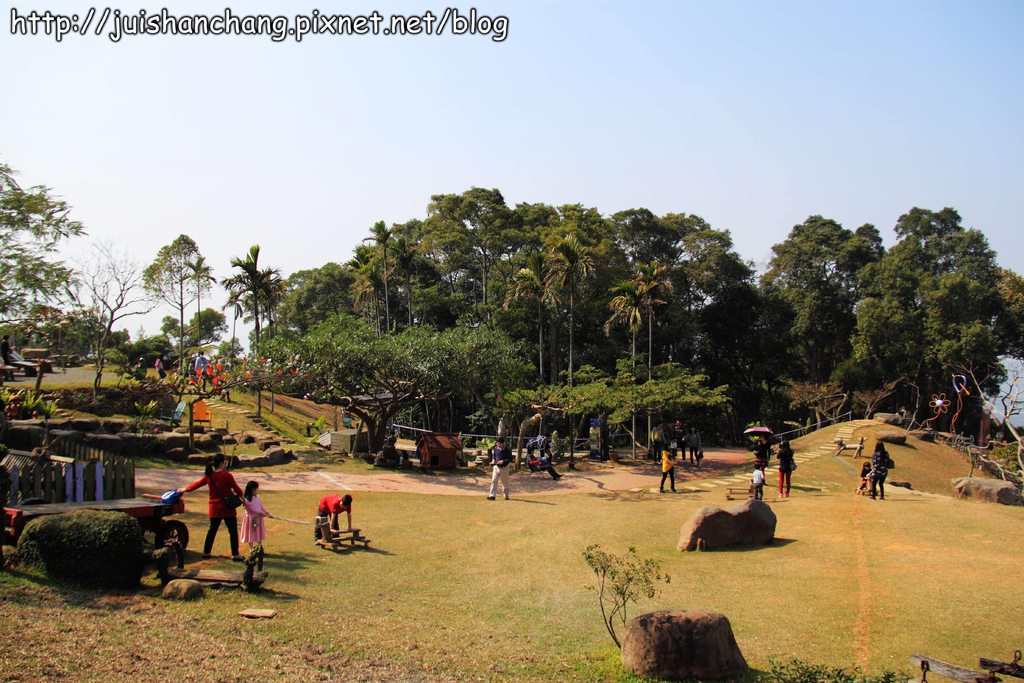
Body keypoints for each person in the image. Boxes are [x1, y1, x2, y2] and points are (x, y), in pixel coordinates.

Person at [178, 453, 245, 561]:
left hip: (214, 508)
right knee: (232, 531)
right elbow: (237, 489)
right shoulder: (226, 475)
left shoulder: (209, 476)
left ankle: (207, 552)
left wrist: (185, 489)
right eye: (224, 462)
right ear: (221, 463)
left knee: (212, 531)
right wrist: (244, 501)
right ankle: (235, 554)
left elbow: (197, 485)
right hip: (227, 508)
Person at [240, 481, 273, 553]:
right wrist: (260, 513)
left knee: (259, 533)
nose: (257, 490)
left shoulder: (257, 498)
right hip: (250, 519)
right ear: (252, 489)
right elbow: (251, 509)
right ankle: (251, 549)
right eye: (256, 488)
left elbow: (261, 506)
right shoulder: (247, 500)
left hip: (258, 518)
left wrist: (267, 513)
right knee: (250, 533)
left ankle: (260, 548)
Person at [488, 436, 512, 500]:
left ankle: (505, 494)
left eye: (500, 444)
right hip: (496, 468)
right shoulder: (496, 449)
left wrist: (503, 461)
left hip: (504, 468)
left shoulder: (507, 450)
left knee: (505, 482)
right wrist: (493, 460)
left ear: (503, 443)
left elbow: (510, 459)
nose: (498, 445)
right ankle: (492, 495)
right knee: (494, 480)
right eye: (497, 444)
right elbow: (494, 456)